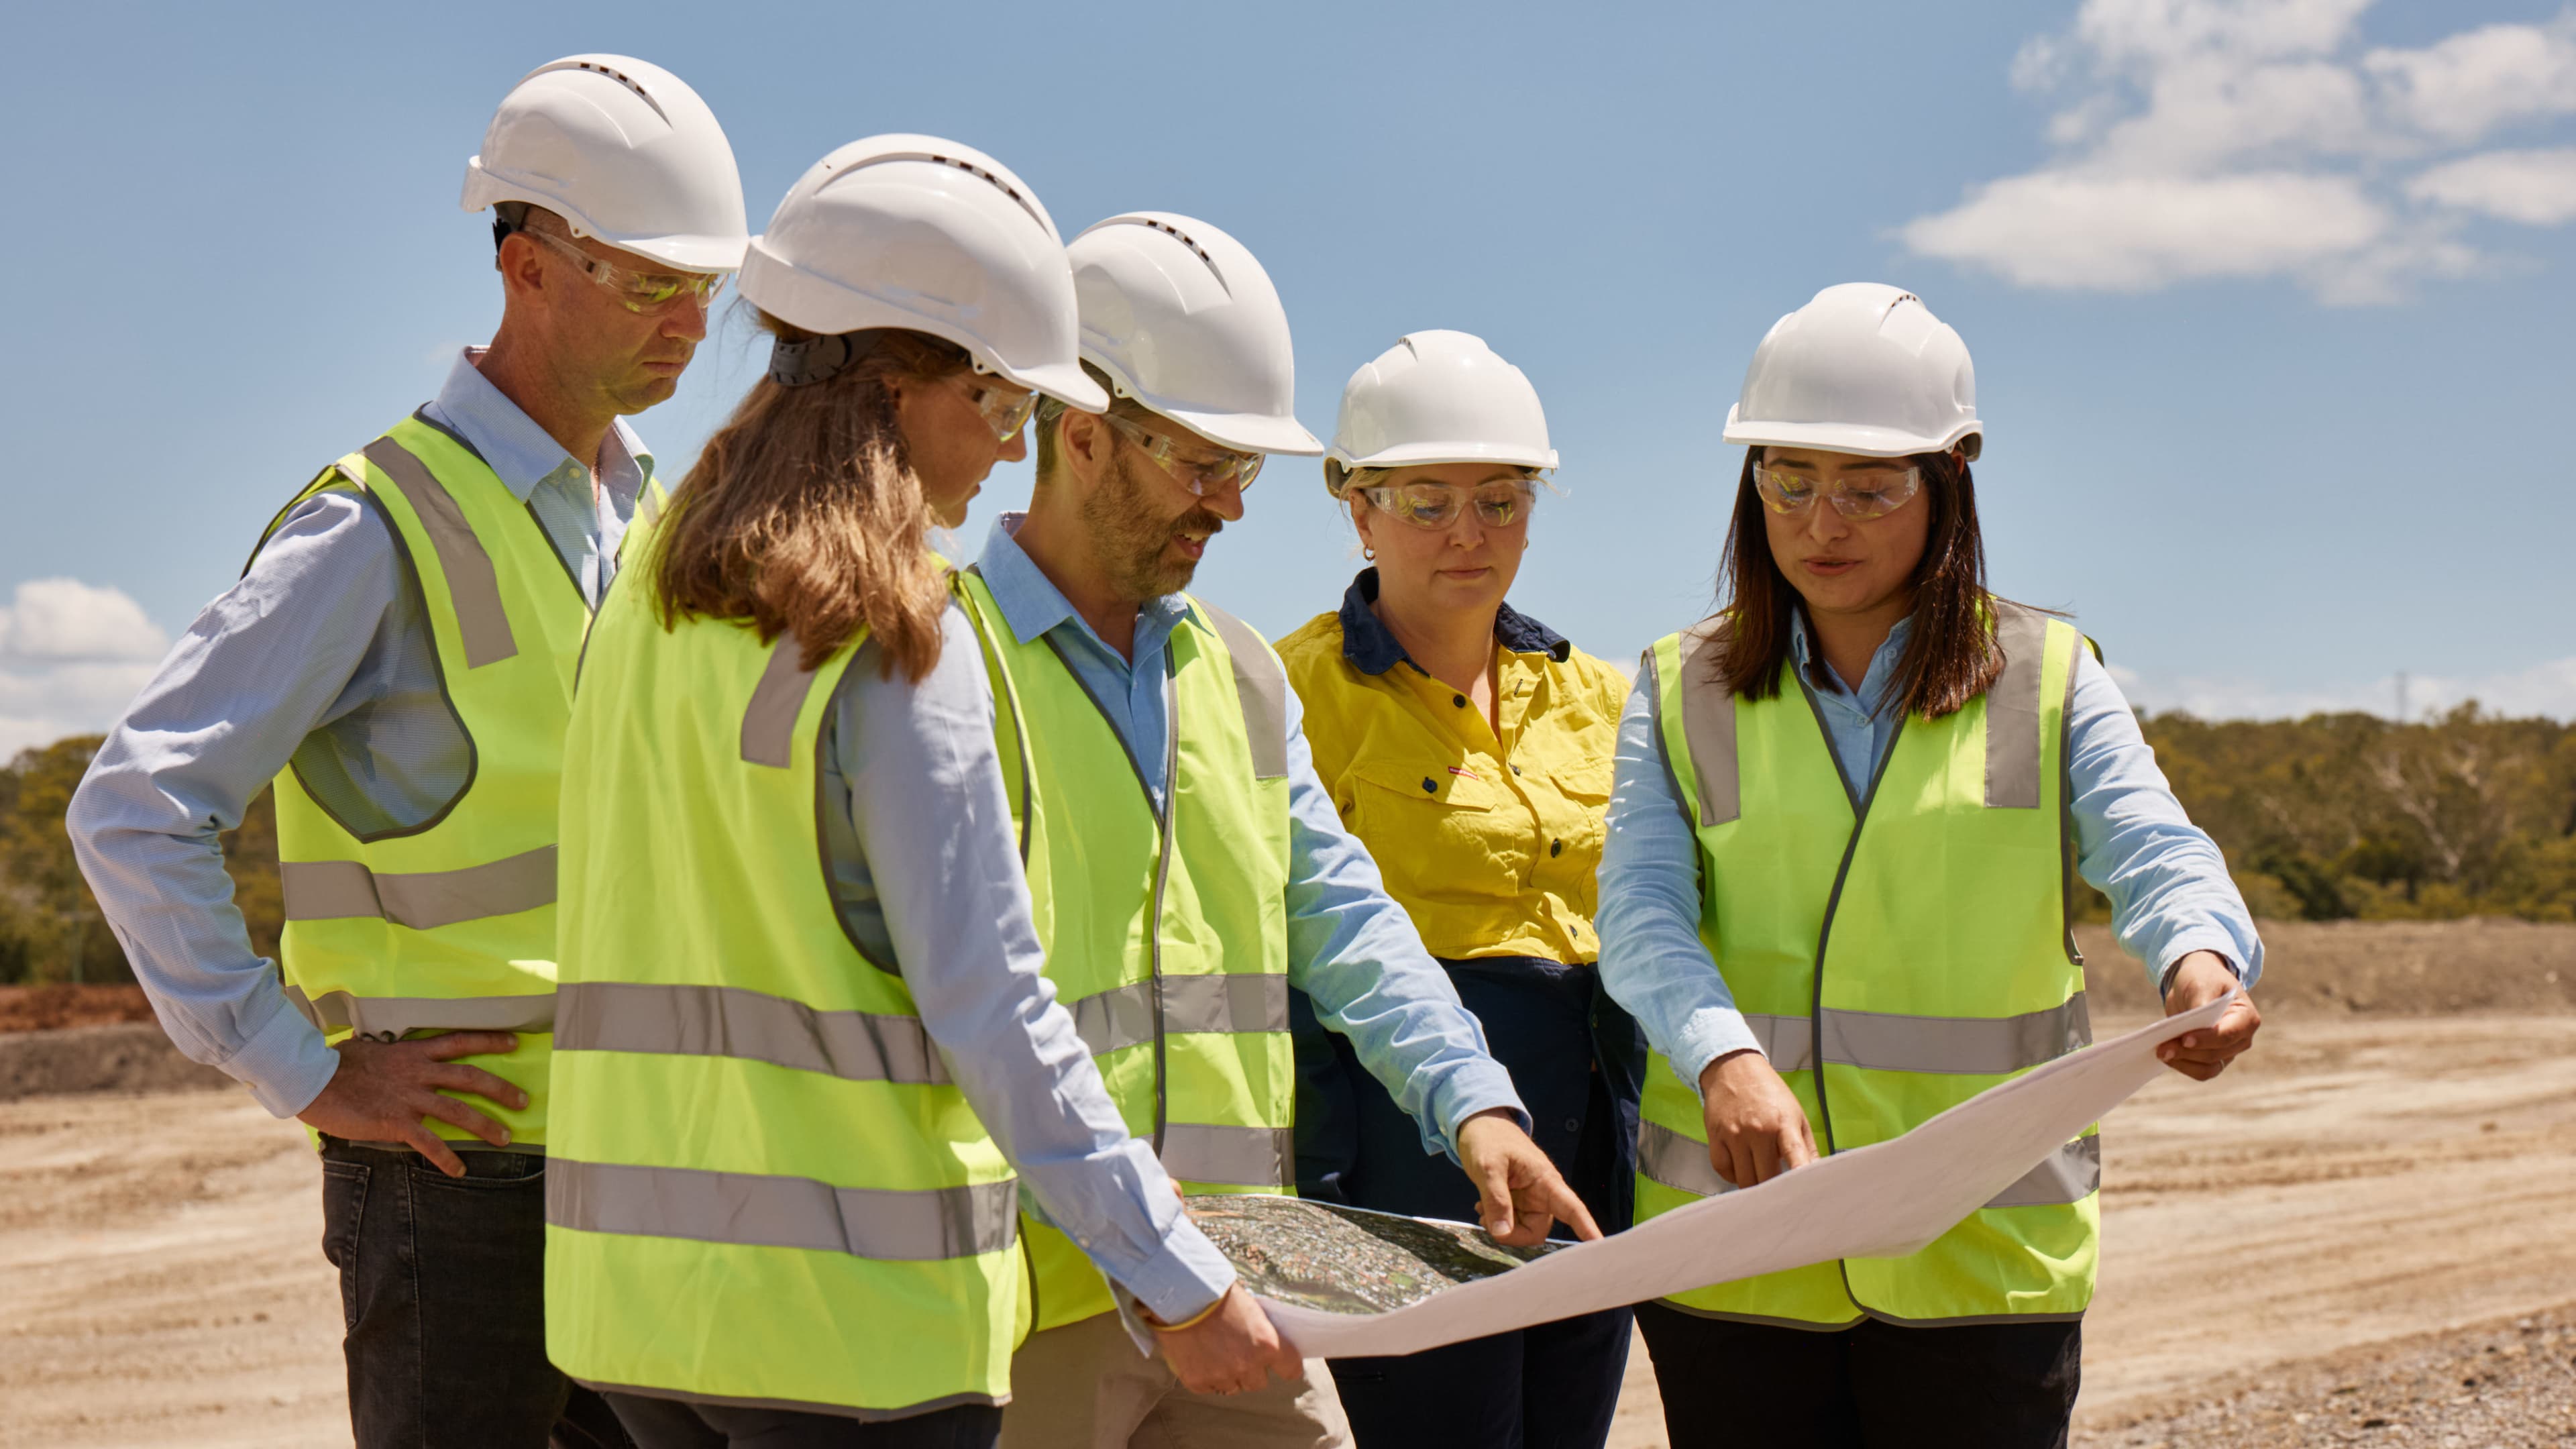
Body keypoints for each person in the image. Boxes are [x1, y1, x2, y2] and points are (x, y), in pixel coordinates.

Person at [543, 140, 1299, 1449]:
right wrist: (1178, 1277)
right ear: (900, 380)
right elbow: (993, 1007)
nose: (1013, 455)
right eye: (1004, 407)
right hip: (849, 1337)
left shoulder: (650, 580)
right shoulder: (899, 627)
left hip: (638, 1319)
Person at [65, 54, 747, 1448]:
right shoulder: (375, 527)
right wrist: (302, 1068)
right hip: (460, 1170)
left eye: (707, 290)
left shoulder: (654, 521)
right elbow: (136, 808)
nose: (687, 325)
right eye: (648, 283)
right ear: (527, 263)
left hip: (651, 1153)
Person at [956, 213, 1600, 1449]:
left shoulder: (1241, 676)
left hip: (1235, 1267)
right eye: (1205, 469)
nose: (1231, 510)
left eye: (1243, 473)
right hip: (1031, 1287)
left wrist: (1474, 1104)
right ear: (1084, 438)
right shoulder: (944, 659)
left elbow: (1344, 915)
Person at [1597, 282, 2265, 1449]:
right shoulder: (1677, 682)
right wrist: (1720, 1057)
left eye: (1869, 488)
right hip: (1745, 1245)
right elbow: (1642, 912)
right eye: (1786, 482)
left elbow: (2155, 850)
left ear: (1952, 475)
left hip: (1980, 1248)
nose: (1821, 523)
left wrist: (2199, 958)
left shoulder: (2048, 675)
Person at [1274, 329, 1647, 1448]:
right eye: (1428, 502)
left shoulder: (1600, 695)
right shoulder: (1291, 693)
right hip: (1408, 1151)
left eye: (1501, 499)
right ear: (1358, 508)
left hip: (1591, 1136)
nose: (1469, 534)